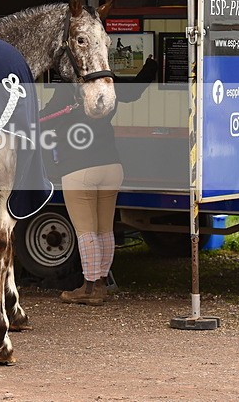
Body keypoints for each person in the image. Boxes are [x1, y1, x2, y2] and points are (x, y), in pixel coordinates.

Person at [39, 56, 158, 305]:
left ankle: (89, 287)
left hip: (79, 169)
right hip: (112, 167)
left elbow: (43, 119)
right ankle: (102, 283)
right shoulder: (107, 87)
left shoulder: (69, 93)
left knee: (86, 232)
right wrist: (152, 66)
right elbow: (134, 91)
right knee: (104, 229)